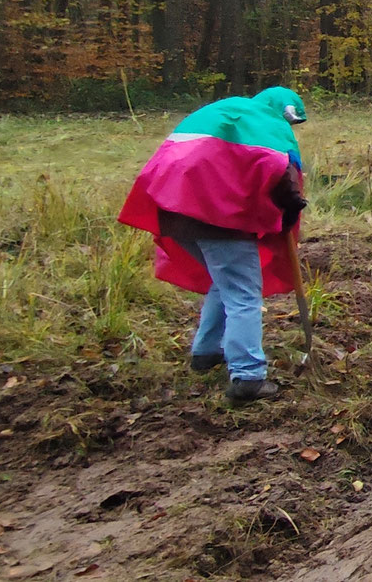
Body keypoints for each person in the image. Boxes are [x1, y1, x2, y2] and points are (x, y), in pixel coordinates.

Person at [119, 87, 311, 404]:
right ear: (286, 113)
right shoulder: (271, 124)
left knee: (224, 283)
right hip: (218, 218)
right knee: (243, 293)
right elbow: (286, 178)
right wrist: (289, 213)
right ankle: (248, 377)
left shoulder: (223, 112)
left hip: (175, 212)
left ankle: (206, 352)